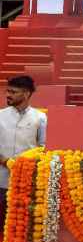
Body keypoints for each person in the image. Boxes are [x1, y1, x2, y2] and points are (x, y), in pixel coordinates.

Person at [0, 76, 47, 218]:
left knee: (20, 226)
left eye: (13, 92)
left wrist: (28, 165)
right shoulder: (0, 116)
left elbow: (44, 148)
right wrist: (3, 160)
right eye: (7, 91)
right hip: (1, 181)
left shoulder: (40, 118)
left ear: (26, 94)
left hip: (25, 182)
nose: (8, 95)